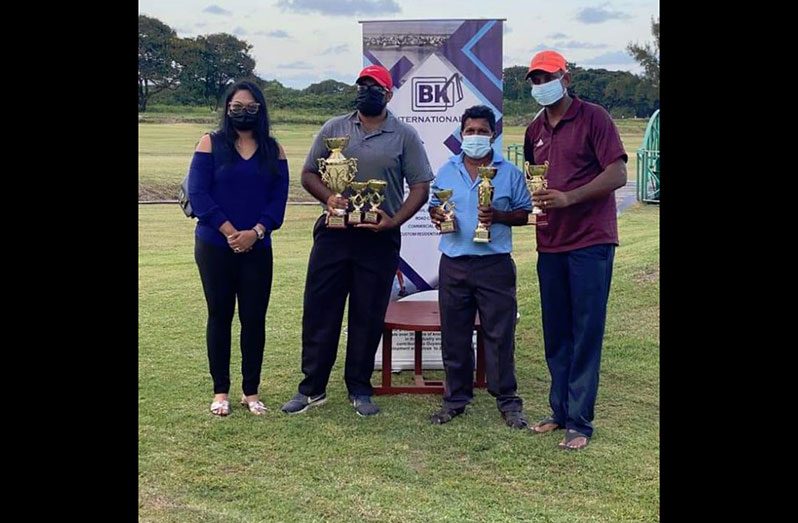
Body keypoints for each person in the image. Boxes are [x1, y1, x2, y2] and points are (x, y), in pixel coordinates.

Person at [281, 64, 434, 416]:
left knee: (367, 312)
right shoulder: (334, 128)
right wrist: (329, 197)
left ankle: (359, 388)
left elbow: (421, 187)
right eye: (363, 85)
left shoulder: (405, 135)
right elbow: (307, 174)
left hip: (378, 237)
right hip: (334, 234)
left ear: (389, 94)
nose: (367, 91)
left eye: (375, 87)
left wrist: (393, 221)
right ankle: (312, 388)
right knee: (321, 310)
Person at [522, 50, 628, 449]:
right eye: (534, 79)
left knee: (585, 331)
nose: (540, 85)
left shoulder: (594, 117)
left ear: (566, 78)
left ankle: (580, 423)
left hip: (591, 240)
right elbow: (538, 180)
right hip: (550, 242)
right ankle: (559, 410)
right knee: (556, 331)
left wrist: (570, 198)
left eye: (546, 77)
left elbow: (618, 172)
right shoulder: (535, 132)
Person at [187, 80, 289, 416]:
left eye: (249, 107)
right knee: (220, 315)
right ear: (227, 109)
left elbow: (278, 201)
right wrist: (232, 232)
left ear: (259, 110)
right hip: (215, 244)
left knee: (254, 319)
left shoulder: (274, 150)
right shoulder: (209, 143)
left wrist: (255, 232)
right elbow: (199, 194)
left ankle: (251, 390)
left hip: (258, 247)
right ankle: (220, 392)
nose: (242, 112)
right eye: (236, 106)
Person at [428, 105, 533, 429]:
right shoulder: (446, 171)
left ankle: (507, 401)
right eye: (470, 131)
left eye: (482, 131)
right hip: (455, 263)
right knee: (454, 335)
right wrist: (437, 216)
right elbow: (435, 207)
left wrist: (498, 216)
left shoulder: (510, 173)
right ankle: (456, 398)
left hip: (495, 264)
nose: (475, 137)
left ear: (493, 134)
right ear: (462, 136)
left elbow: (524, 213)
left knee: (500, 335)